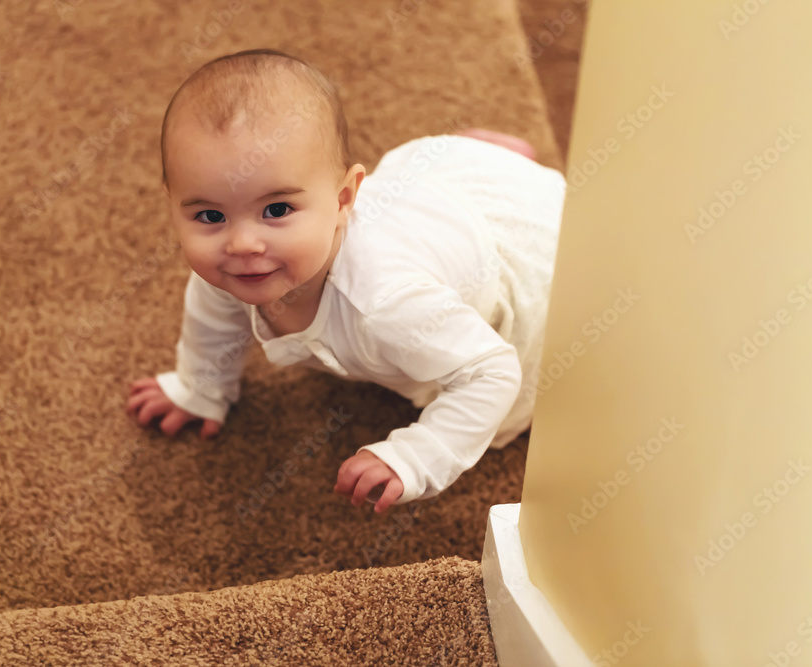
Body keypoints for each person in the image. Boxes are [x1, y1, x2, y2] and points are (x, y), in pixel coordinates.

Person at [127, 48, 566, 514]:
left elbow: (491, 372)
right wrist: (199, 388)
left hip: (528, 231)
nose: (242, 244)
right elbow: (212, 323)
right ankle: (484, 155)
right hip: (437, 196)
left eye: (276, 210)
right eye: (210, 215)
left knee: (515, 406)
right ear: (172, 204)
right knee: (446, 169)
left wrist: (417, 455)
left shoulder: (388, 304)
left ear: (344, 198)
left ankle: (503, 165)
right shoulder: (230, 271)